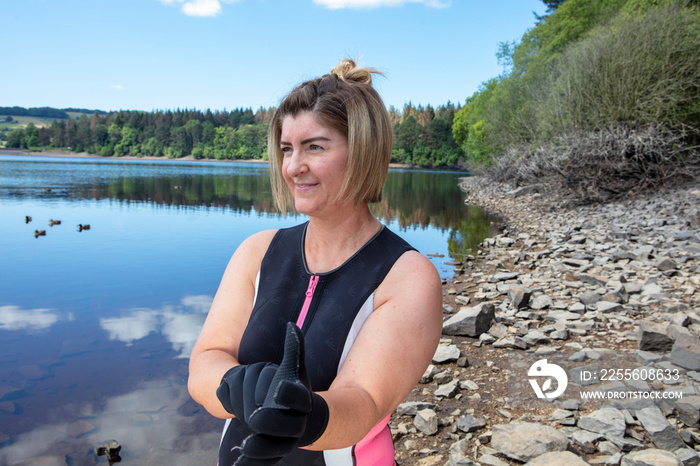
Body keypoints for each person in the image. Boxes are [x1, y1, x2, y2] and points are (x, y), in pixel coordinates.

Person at [188, 59, 443, 466]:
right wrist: (239, 383)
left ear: (361, 151)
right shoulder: (257, 251)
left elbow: (364, 401)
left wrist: (304, 417)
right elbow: (205, 361)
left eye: (315, 147)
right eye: (287, 149)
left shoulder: (407, 276)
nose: (292, 167)